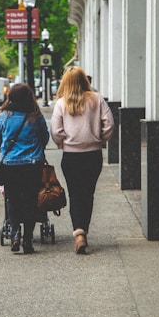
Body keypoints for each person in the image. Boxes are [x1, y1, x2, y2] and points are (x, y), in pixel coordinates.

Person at [50, 66, 115, 254]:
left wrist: (63, 142)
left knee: (75, 194)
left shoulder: (62, 103)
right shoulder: (97, 99)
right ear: (84, 80)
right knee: (88, 194)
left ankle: (79, 233)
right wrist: (101, 139)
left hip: (71, 156)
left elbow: (55, 131)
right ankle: (83, 229)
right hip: (93, 155)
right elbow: (109, 124)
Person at [0, 83, 50, 253]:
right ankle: (27, 240)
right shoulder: (35, 117)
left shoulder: (3, 117)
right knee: (31, 201)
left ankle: (15, 233)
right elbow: (45, 138)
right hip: (32, 165)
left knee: (12, 199)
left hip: (10, 165)